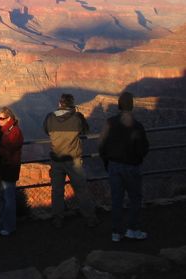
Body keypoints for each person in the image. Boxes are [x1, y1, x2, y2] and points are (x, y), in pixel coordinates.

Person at [99, 91, 149, 242]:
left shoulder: (110, 122)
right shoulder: (137, 125)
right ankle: (132, 230)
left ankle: (116, 233)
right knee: (134, 199)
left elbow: (101, 145)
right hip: (132, 167)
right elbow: (143, 148)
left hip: (114, 166)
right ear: (132, 106)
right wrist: (137, 159)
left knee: (116, 200)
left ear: (119, 105)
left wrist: (107, 162)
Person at [43, 94, 98, 229]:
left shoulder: (50, 117)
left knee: (57, 191)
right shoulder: (77, 118)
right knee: (81, 190)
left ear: (59, 103)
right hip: (74, 161)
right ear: (72, 104)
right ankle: (90, 218)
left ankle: (57, 219)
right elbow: (85, 130)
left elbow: (46, 131)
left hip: (56, 160)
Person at [0, 107, 23, 236]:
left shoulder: (15, 132)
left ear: (9, 118)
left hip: (9, 169)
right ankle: (1, 223)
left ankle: (10, 226)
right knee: (0, 198)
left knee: (9, 199)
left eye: (2, 118)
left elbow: (9, 150)